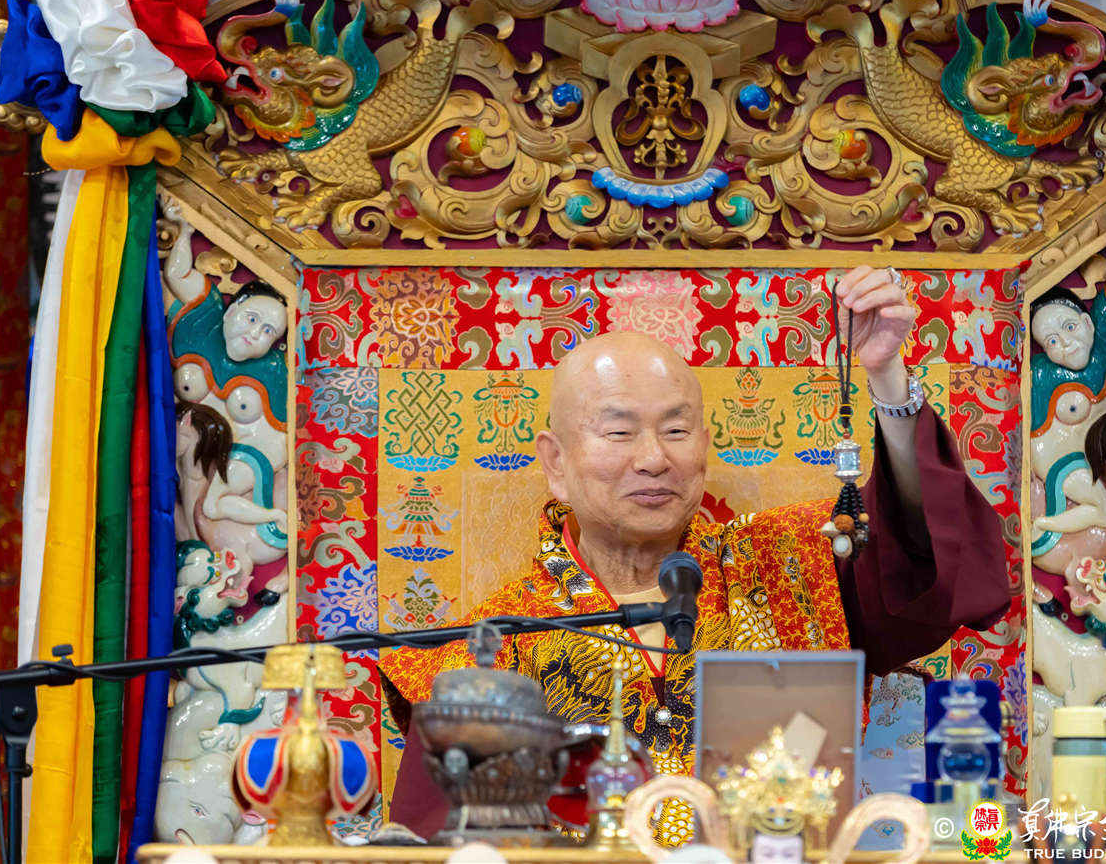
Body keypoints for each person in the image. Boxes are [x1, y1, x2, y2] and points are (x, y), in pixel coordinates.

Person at [379, 265, 1010, 842]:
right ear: (555, 461)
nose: (654, 458)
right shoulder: (488, 654)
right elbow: (438, 848)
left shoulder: (789, 564)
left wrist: (887, 379)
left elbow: (915, 547)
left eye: (677, 430)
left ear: (705, 445)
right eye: (619, 431)